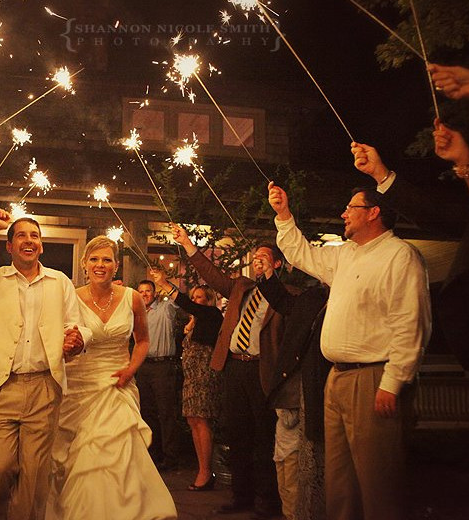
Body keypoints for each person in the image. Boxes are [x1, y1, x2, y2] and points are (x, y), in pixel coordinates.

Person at [267, 181, 431, 520]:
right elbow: (301, 253)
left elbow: (411, 323)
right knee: (339, 482)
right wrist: (283, 214)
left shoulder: (399, 255)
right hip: (336, 379)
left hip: (372, 379)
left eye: (351, 207)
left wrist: (393, 381)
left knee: (378, 483)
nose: (343, 213)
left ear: (374, 213)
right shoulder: (344, 255)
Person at [352, 133, 469, 505]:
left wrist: (467, 157)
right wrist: (382, 174)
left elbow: (408, 322)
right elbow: (438, 213)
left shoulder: (400, 257)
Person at [0, 209, 90, 520]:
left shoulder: (59, 281)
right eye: (21, 236)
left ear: (41, 245)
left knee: (34, 475)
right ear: (10, 246)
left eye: (35, 236)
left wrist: (77, 339)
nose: (29, 241)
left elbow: (76, 324)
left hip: (43, 387)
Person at [46, 235, 177, 519]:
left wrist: (131, 369)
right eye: (94, 259)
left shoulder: (131, 297)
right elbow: (60, 337)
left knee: (117, 452)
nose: (100, 265)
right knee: (77, 455)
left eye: (106, 259)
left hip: (118, 383)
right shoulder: (71, 297)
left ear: (116, 265)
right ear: (84, 264)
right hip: (79, 385)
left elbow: (142, 341)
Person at [170, 224, 289, 519]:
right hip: (235, 367)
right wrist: (186, 243)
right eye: (256, 256)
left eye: (265, 256)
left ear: (277, 263)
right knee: (238, 435)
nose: (258, 260)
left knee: (264, 436)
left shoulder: (285, 296)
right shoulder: (241, 288)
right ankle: (241, 496)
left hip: (262, 370)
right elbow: (211, 274)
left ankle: (266, 499)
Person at [255, 251, 331, 520]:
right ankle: (292, 514)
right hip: (292, 390)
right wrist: (267, 275)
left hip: (324, 391)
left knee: (315, 465)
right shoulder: (314, 297)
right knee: (284, 458)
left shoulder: (354, 298)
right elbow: (285, 303)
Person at [151, 269, 221, 491]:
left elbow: (184, 304)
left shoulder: (212, 316)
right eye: (194, 297)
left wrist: (164, 283)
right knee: (193, 421)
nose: (195, 301)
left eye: (200, 298)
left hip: (203, 376)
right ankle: (203, 468)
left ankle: (205, 471)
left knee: (202, 421)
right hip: (191, 377)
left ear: (208, 301)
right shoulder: (194, 322)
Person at [135, 277, 182, 471]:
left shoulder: (165, 309)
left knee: (166, 413)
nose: (144, 294)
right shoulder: (135, 314)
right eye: (141, 291)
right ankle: (152, 455)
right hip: (143, 367)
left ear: (154, 293)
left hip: (163, 367)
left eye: (147, 291)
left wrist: (163, 282)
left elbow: (177, 298)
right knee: (147, 413)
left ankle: (171, 458)